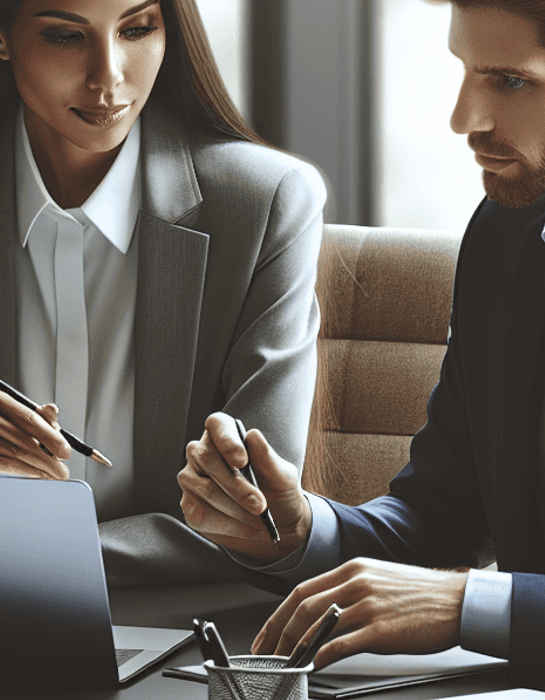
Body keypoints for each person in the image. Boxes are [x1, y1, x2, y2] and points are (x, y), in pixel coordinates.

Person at [0, 0, 325, 538]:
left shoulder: (267, 204)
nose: (110, 77)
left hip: (185, 613)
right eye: (67, 37)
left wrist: (34, 563)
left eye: (138, 28)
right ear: (0, 36)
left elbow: (255, 516)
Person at [178, 0, 545, 689]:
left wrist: (468, 604)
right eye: (465, 72)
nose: (464, 119)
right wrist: (296, 529)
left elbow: (451, 590)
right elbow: (439, 519)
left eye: (512, 81)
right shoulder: (505, 237)